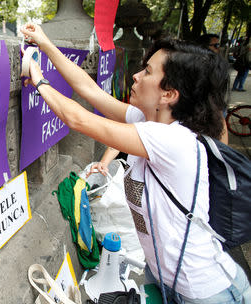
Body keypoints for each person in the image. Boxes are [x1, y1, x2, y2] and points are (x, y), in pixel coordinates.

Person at [21, 23, 250, 303]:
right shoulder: (148, 121)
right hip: (166, 279)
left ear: (169, 94)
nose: (136, 76)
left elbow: (79, 119)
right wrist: (44, 43)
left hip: (208, 292)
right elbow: (90, 91)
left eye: (148, 72)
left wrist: (39, 79)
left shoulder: (172, 140)